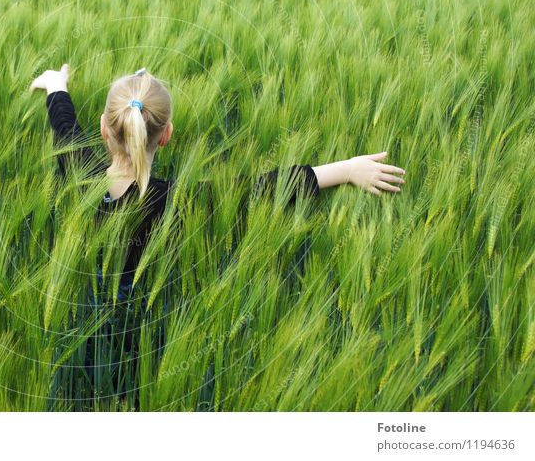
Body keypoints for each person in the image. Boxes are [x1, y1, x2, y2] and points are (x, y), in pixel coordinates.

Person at [31, 63, 406, 406]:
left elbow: (65, 130)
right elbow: (265, 187)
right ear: (166, 136)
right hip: (159, 342)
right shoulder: (179, 200)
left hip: (89, 336)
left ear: (103, 129)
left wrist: (55, 85)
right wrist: (347, 169)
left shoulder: (82, 175)